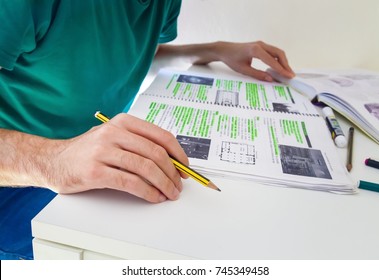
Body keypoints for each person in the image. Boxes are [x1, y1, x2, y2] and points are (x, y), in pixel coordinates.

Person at [0, 0, 295, 259]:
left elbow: (138, 53)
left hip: (84, 162)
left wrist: (213, 50)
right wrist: (54, 160)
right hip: (17, 175)